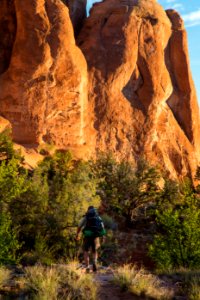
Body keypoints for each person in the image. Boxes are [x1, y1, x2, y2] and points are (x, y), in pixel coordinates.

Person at [75, 206, 105, 272]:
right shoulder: (98, 217)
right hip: (96, 236)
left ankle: (87, 266)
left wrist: (77, 235)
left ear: (88, 210)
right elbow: (102, 228)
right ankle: (94, 263)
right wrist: (103, 237)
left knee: (86, 251)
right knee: (94, 251)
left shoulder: (86, 217)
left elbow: (79, 226)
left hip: (87, 236)